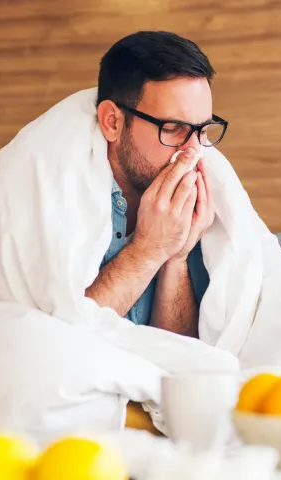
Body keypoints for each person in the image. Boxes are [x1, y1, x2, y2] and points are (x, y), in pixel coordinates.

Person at [87, 31, 228, 433]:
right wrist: (149, 248)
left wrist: (175, 256)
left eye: (203, 129)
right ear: (112, 122)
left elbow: (179, 366)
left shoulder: (196, 206)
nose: (193, 151)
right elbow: (56, 341)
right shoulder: (63, 195)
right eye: (174, 128)